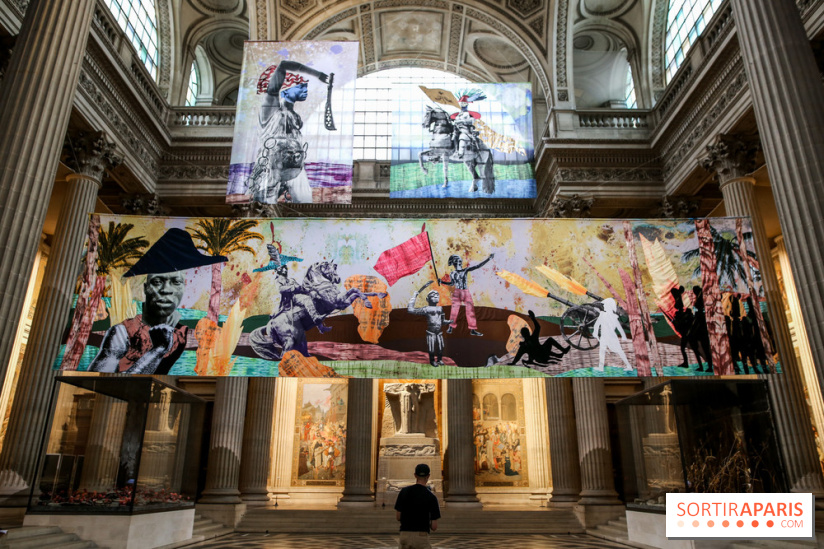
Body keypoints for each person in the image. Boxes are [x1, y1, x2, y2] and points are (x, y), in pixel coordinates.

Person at [88, 228, 226, 375]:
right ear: (146, 288)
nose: (166, 289)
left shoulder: (181, 332)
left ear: (183, 288)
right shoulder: (122, 333)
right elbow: (101, 378)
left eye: (176, 282)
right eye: (158, 281)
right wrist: (157, 350)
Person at [248, 60, 331, 204]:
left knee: (306, 206)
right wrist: (317, 74)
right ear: (286, 88)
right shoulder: (271, 108)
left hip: (295, 167)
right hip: (271, 165)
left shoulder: (295, 116)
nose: (305, 88)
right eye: (301, 85)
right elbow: (282, 65)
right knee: (262, 208)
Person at [442, 253, 494, 336]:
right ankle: (451, 327)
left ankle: (472, 329)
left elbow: (477, 266)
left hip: (465, 292)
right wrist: (442, 282)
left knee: (470, 310)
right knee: (454, 310)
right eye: (457, 261)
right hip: (457, 292)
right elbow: (452, 284)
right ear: (454, 263)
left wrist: (488, 259)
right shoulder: (452, 274)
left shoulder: (465, 270)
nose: (459, 262)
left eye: (460, 261)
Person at [395, 464, 441, 549]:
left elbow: (398, 517)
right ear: (428, 476)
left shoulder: (404, 492)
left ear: (415, 475)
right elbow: (434, 527)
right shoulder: (432, 497)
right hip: (421, 536)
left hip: (405, 534)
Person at [407, 281, 451, 366]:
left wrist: (449, 322)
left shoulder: (440, 309)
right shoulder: (426, 309)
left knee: (441, 348)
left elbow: (442, 321)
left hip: (439, 332)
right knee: (431, 349)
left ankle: (440, 359)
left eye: (437, 295)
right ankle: (432, 361)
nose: (436, 297)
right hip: (431, 332)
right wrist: (414, 297)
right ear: (428, 299)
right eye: (433, 296)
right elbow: (410, 310)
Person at [592, 297, 633, 372]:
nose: (604, 306)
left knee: (619, 351)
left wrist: (623, 336)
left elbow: (619, 327)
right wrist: (595, 332)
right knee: (602, 351)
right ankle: (601, 367)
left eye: (605, 305)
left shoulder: (613, 316)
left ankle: (628, 365)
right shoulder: (602, 314)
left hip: (611, 336)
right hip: (604, 336)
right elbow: (597, 324)